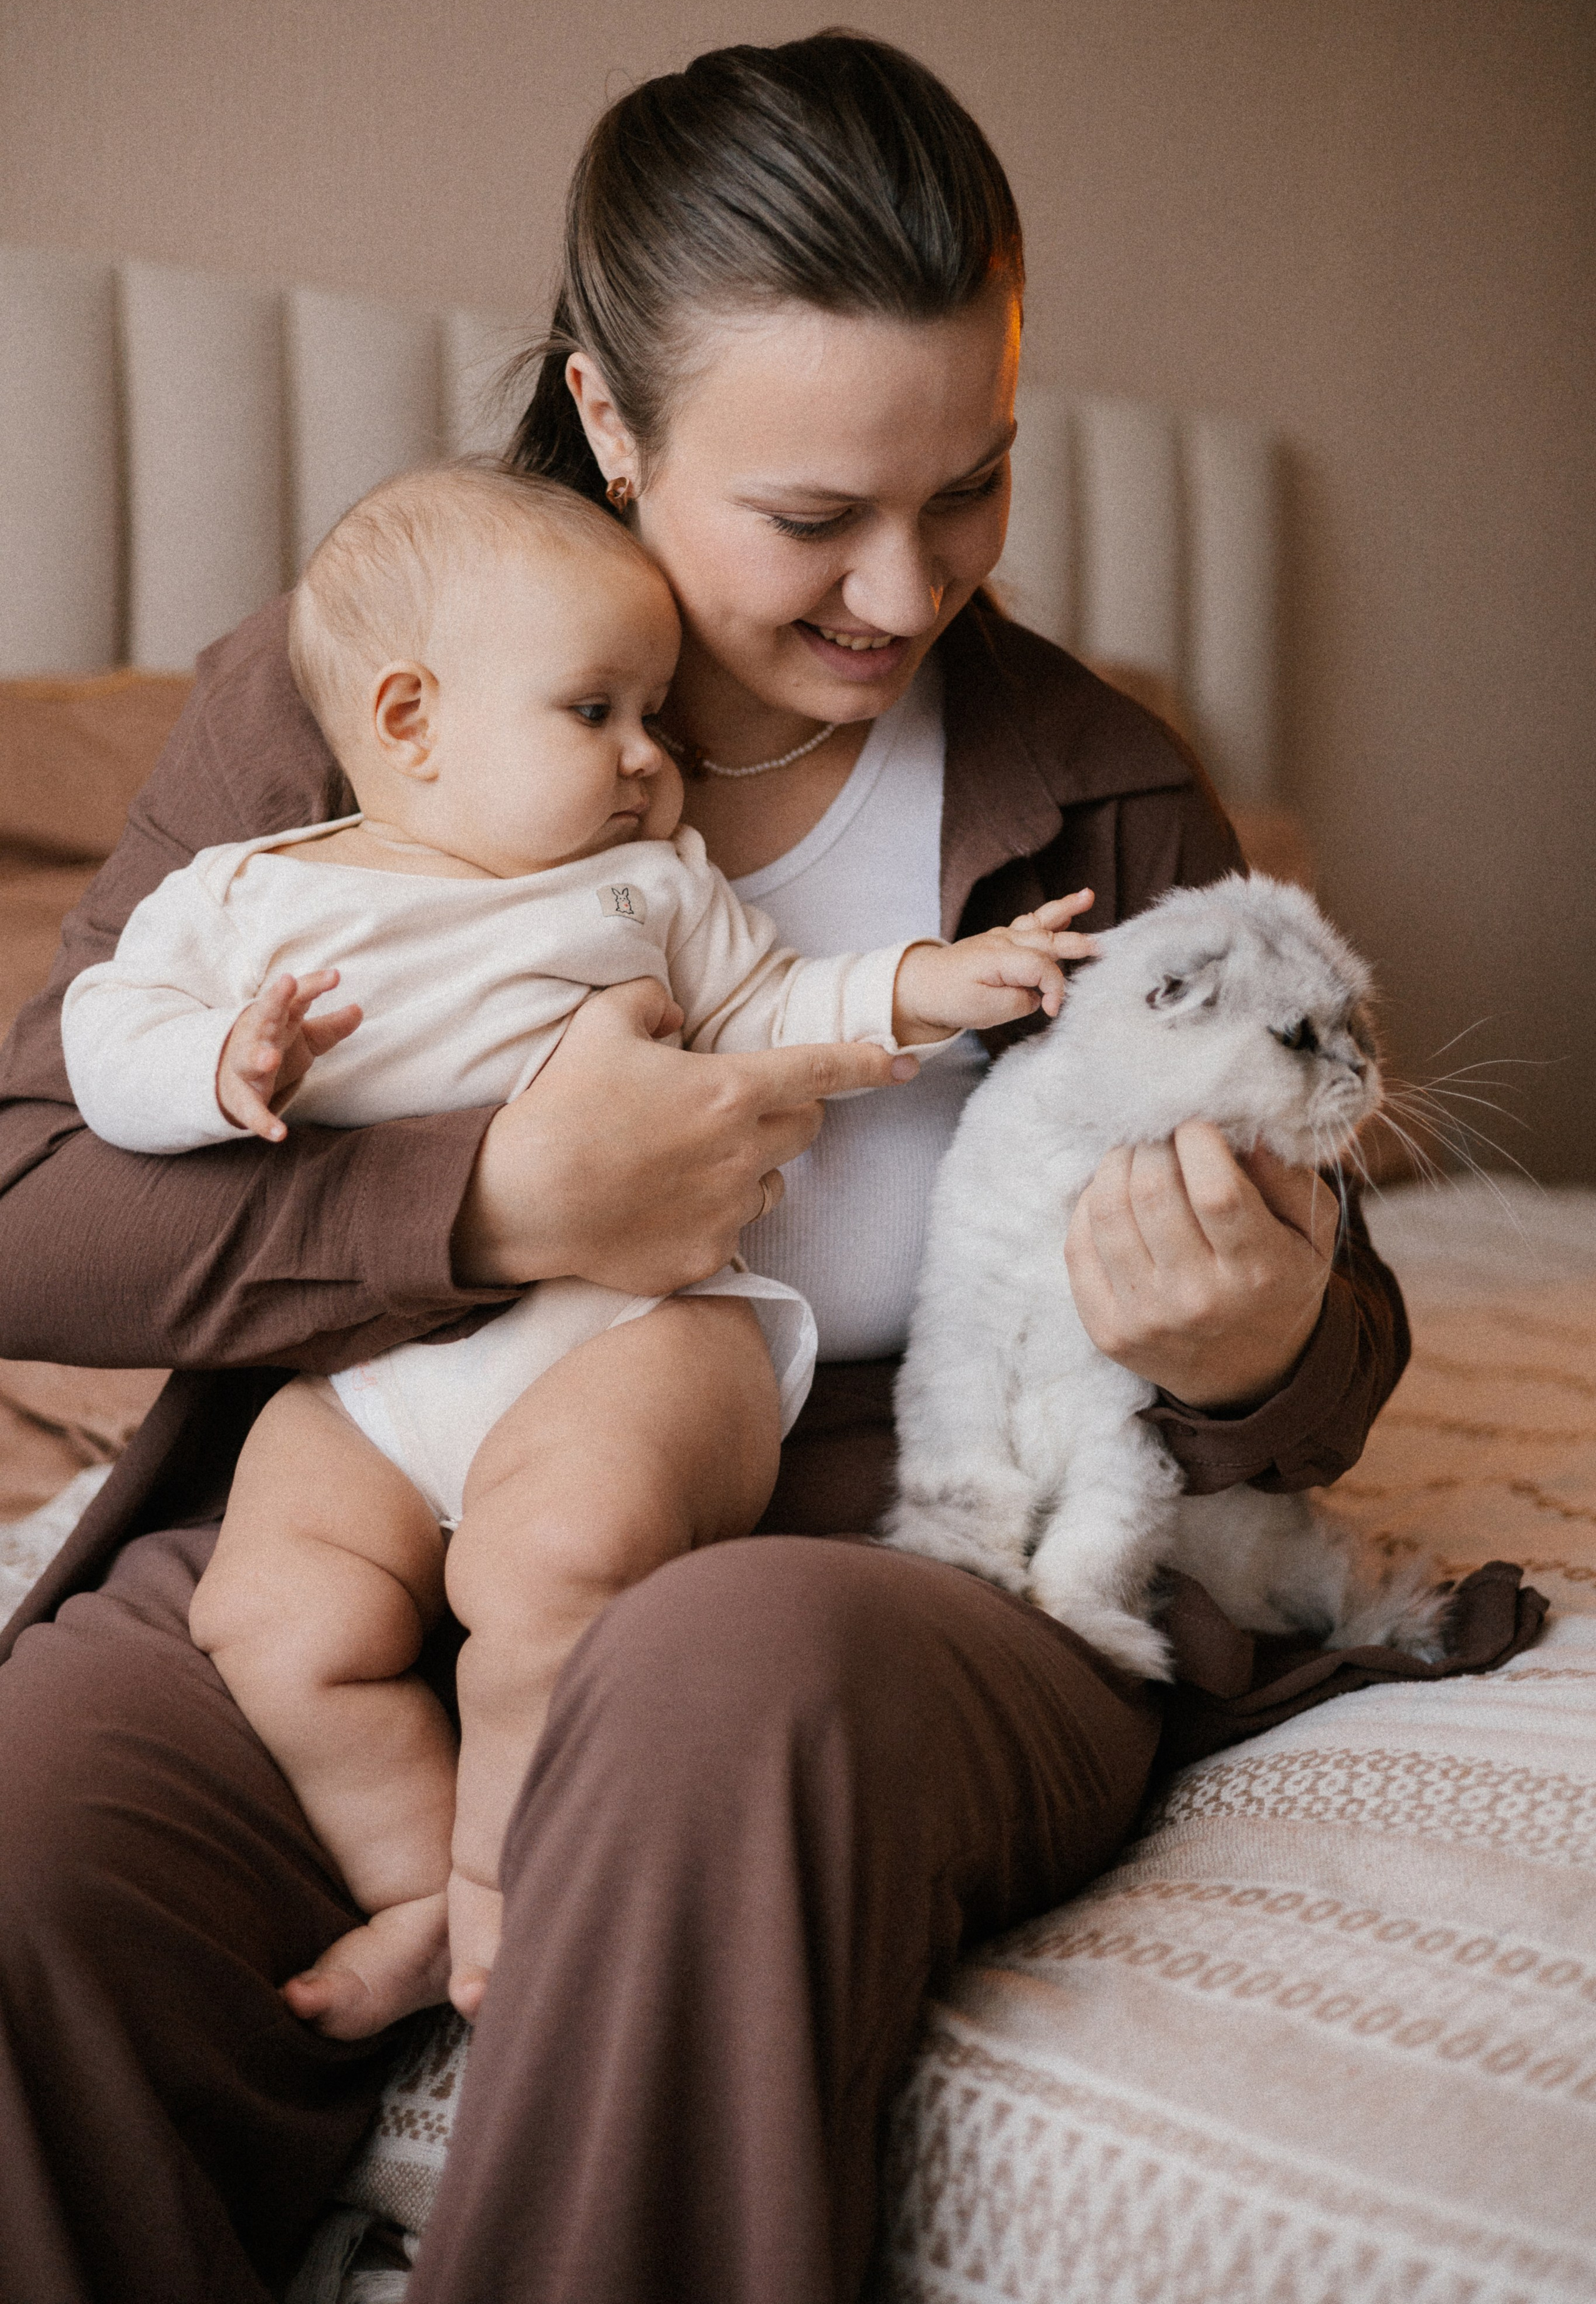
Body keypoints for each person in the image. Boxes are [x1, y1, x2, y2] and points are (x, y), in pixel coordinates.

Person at [0, 34, 1410, 2304]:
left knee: (714, 1672)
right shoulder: (358, 687)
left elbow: (1338, 1343)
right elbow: (28, 1194)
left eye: (971, 488)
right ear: (610, 421)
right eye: (813, 516)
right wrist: (478, 1212)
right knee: (29, 1834)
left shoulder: (1102, 785)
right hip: (381, 1478)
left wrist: (1254, 1347)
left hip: (872, 1554)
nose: (904, 587)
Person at [59, 458, 1095, 2040]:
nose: (646, 760)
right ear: (408, 722)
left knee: (542, 1567)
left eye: (655, 718)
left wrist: (922, 986)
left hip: (644, 1332)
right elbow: (99, 1036)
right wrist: (213, 1073)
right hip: (378, 1371)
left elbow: (771, 1004)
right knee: (273, 1618)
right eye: (594, 714)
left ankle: (497, 1891)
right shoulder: (244, 899)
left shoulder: (644, 889)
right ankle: (408, 1879)